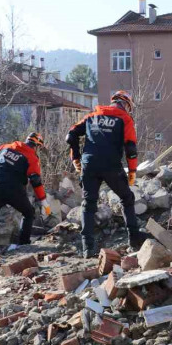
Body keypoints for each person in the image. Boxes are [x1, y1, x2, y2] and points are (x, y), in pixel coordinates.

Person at [67, 90, 148, 258]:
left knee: (89, 203)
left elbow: (71, 135)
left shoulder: (91, 116)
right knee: (127, 198)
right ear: (126, 104)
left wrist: (76, 157)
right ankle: (134, 239)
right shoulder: (124, 118)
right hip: (111, 165)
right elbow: (131, 148)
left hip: (89, 164)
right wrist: (132, 170)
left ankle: (87, 249)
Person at [0, 133, 50, 267]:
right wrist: (44, 201)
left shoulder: (7, 146)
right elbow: (35, 180)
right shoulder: (32, 157)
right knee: (29, 213)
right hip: (14, 190)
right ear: (37, 146)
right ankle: (23, 244)